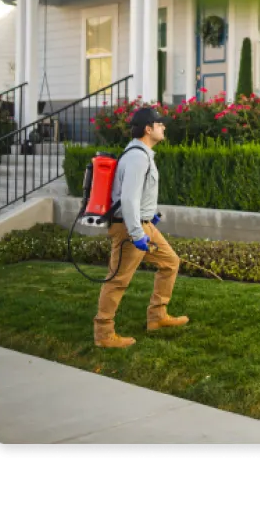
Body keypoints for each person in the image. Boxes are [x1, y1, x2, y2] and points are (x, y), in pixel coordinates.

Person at [93, 106, 188, 348]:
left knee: (170, 262)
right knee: (118, 280)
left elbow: (138, 196)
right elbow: (128, 199)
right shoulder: (137, 156)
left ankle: (157, 316)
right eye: (159, 124)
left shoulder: (142, 154)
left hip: (143, 225)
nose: (163, 126)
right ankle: (104, 333)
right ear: (148, 128)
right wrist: (137, 233)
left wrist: (150, 217)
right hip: (129, 228)